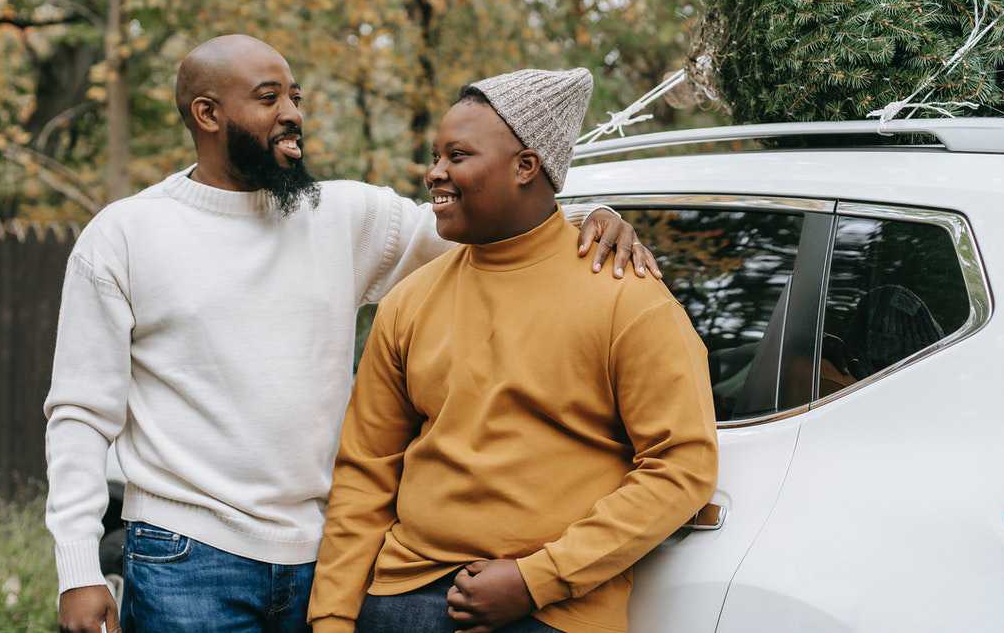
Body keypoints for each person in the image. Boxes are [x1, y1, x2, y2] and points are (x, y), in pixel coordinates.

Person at [46, 36, 660, 633]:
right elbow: (80, 413)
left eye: (296, 97)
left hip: (326, 558)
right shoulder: (125, 236)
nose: (292, 114)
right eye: (268, 99)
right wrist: (78, 568)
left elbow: (490, 221)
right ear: (207, 114)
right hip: (187, 557)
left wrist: (590, 218)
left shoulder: (342, 215)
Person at [307, 68, 718, 633]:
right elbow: (366, 471)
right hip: (397, 599)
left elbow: (683, 467)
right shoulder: (410, 301)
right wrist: (332, 616)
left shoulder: (627, 297)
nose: (435, 173)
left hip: (548, 610)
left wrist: (535, 580)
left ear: (526, 166)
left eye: (458, 155)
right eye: (436, 156)